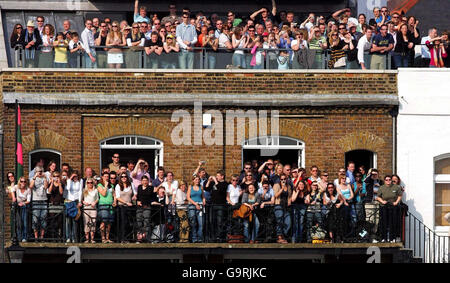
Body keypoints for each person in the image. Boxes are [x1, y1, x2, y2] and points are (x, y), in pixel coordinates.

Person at [376, 175, 403, 242]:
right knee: (384, 222)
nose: (388, 181)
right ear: (384, 181)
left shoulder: (396, 187)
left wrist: (396, 202)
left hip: (393, 206)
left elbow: (400, 195)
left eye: (389, 180)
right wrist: (382, 201)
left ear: (391, 180)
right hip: (384, 206)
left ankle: (392, 238)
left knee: (393, 222)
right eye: (386, 180)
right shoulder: (381, 187)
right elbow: (378, 197)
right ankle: (383, 238)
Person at [205, 170, 228, 242]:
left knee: (219, 222)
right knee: (212, 221)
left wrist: (215, 181)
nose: (217, 177)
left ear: (222, 176)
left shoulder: (225, 183)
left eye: (218, 176)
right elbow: (206, 188)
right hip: (213, 205)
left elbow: (221, 189)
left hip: (220, 205)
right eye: (216, 176)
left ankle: (219, 237)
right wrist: (209, 181)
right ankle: (213, 237)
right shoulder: (213, 183)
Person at [115, 173, 135, 243]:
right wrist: (126, 202)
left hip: (129, 207)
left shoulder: (131, 185)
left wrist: (134, 196)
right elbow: (117, 197)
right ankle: (122, 238)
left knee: (129, 223)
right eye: (122, 177)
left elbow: (135, 193)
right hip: (122, 207)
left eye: (125, 176)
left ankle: (128, 238)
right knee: (123, 223)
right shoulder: (118, 186)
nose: (124, 178)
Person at [29, 166, 48, 241]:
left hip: (43, 201)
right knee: (35, 220)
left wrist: (45, 178)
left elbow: (46, 187)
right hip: (35, 201)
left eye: (41, 171)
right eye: (38, 171)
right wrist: (35, 177)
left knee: (44, 220)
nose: (40, 172)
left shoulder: (44, 178)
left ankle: (42, 237)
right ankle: (36, 237)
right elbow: (30, 186)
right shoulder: (32, 178)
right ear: (35, 172)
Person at [64, 171, 83, 243]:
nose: (75, 178)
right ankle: (68, 237)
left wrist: (80, 201)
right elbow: (68, 188)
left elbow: (80, 191)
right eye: (74, 177)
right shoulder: (69, 181)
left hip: (75, 201)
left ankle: (74, 237)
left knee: (75, 220)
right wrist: (70, 179)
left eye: (76, 176)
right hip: (69, 201)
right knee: (68, 221)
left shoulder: (80, 181)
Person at [97, 172, 115, 243]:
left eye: (108, 176)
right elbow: (103, 194)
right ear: (102, 177)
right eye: (105, 176)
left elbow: (114, 194)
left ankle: (107, 238)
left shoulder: (111, 186)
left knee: (109, 223)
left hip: (110, 205)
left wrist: (115, 201)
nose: (106, 178)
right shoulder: (99, 185)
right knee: (103, 222)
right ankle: (103, 238)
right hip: (103, 205)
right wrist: (105, 186)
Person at [273, 174, 291, 243]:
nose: (283, 180)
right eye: (282, 179)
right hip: (278, 205)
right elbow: (275, 195)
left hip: (286, 206)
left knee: (288, 222)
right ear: (280, 180)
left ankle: (284, 234)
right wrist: (282, 189)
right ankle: (279, 237)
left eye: (284, 179)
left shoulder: (288, 186)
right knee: (279, 221)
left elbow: (289, 196)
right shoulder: (276, 185)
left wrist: (289, 201)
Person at [187, 176, 206, 243]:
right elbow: (188, 197)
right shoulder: (190, 187)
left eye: (198, 179)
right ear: (193, 180)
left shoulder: (201, 187)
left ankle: (200, 238)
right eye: (196, 179)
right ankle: (194, 238)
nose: (197, 181)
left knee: (201, 224)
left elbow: (203, 196)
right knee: (193, 223)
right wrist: (195, 204)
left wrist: (204, 200)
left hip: (200, 206)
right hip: (192, 206)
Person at [136, 175, 153, 243]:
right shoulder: (139, 187)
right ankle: (139, 238)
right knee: (139, 221)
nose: (145, 182)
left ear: (148, 181)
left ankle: (146, 237)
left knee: (146, 221)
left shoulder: (150, 188)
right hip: (139, 207)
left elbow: (148, 196)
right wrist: (137, 201)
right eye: (143, 180)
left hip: (147, 207)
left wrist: (141, 201)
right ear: (141, 181)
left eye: (146, 180)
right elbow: (138, 196)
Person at [81, 177, 98, 243]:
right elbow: (81, 199)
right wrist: (83, 202)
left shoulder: (95, 190)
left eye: (91, 182)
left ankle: (92, 238)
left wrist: (95, 202)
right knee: (86, 222)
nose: (90, 184)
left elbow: (97, 198)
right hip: (86, 208)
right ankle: (87, 239)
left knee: (93, 222)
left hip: (93, 208)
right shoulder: (84, 190)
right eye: (88, 183)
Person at [15, 177, 31, 242]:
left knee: (24, 222)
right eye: (21, 181)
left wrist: (23, 203)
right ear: (19, 182)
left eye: (24, 181)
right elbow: (10, 189)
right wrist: (13, 197)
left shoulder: (28, 189)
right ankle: (19, 237)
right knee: (18, 222)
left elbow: (28, 200)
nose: (23, 183)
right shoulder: (16, 187)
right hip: (18, 206)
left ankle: (24, 237)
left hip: (24, 206)